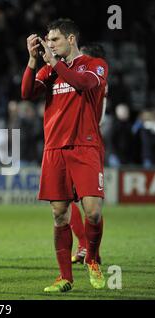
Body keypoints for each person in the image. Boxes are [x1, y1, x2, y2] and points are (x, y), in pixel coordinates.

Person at [21, 19, 108, 292]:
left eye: (55, 40)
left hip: (85, 147)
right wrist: (33, 61)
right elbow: (26, 93)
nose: (50, 44)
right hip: (54, 149)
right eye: (48, 40)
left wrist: (53, 63)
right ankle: (65, 277)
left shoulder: (96, 65)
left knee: (92, 212)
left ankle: (92, 258)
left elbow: (82, 84)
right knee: (60, 215)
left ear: (71, 39)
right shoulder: (49, 70)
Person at [70, 43, 107, 264]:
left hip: (87, 142)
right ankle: (89, 249)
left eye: (82, 56)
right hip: (79, 141)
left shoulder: (91, 77)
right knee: (64, 199)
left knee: (90, 206)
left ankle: (88, 248)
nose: (78, 60)